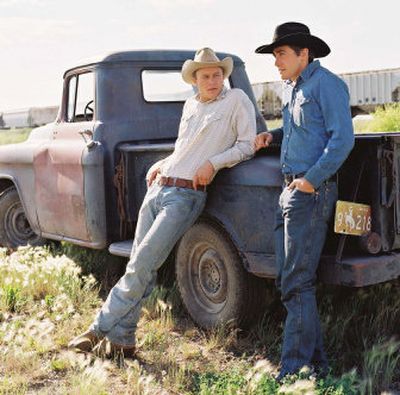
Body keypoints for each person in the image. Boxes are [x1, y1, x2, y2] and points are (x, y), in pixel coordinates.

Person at [69, 47, 257, 358]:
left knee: (143, 263)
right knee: (139, 266)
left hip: (185, 197)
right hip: (159, 188)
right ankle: (124, 340)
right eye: (205, 76)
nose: (213, 81)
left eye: (217, 75)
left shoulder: (236, 101)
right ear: (194, 80)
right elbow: (185, 147)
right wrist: (164, 162)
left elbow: (247, 145)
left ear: (224, 76)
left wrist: (214, 163)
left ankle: (97, 329)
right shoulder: (191, 105)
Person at [254, 22, 354, 380]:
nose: (276, 62)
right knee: (287, 280)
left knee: (297, 281)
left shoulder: (327, 85)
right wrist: (272, 135)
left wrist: (310, 181)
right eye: (276, 55)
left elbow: (342, 140)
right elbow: (302, 131)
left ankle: (294, 371)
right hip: (290, 192)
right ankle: (317, 364)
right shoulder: (293, 88)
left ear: (303, 53)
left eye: (281, 54)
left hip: (311, 193)